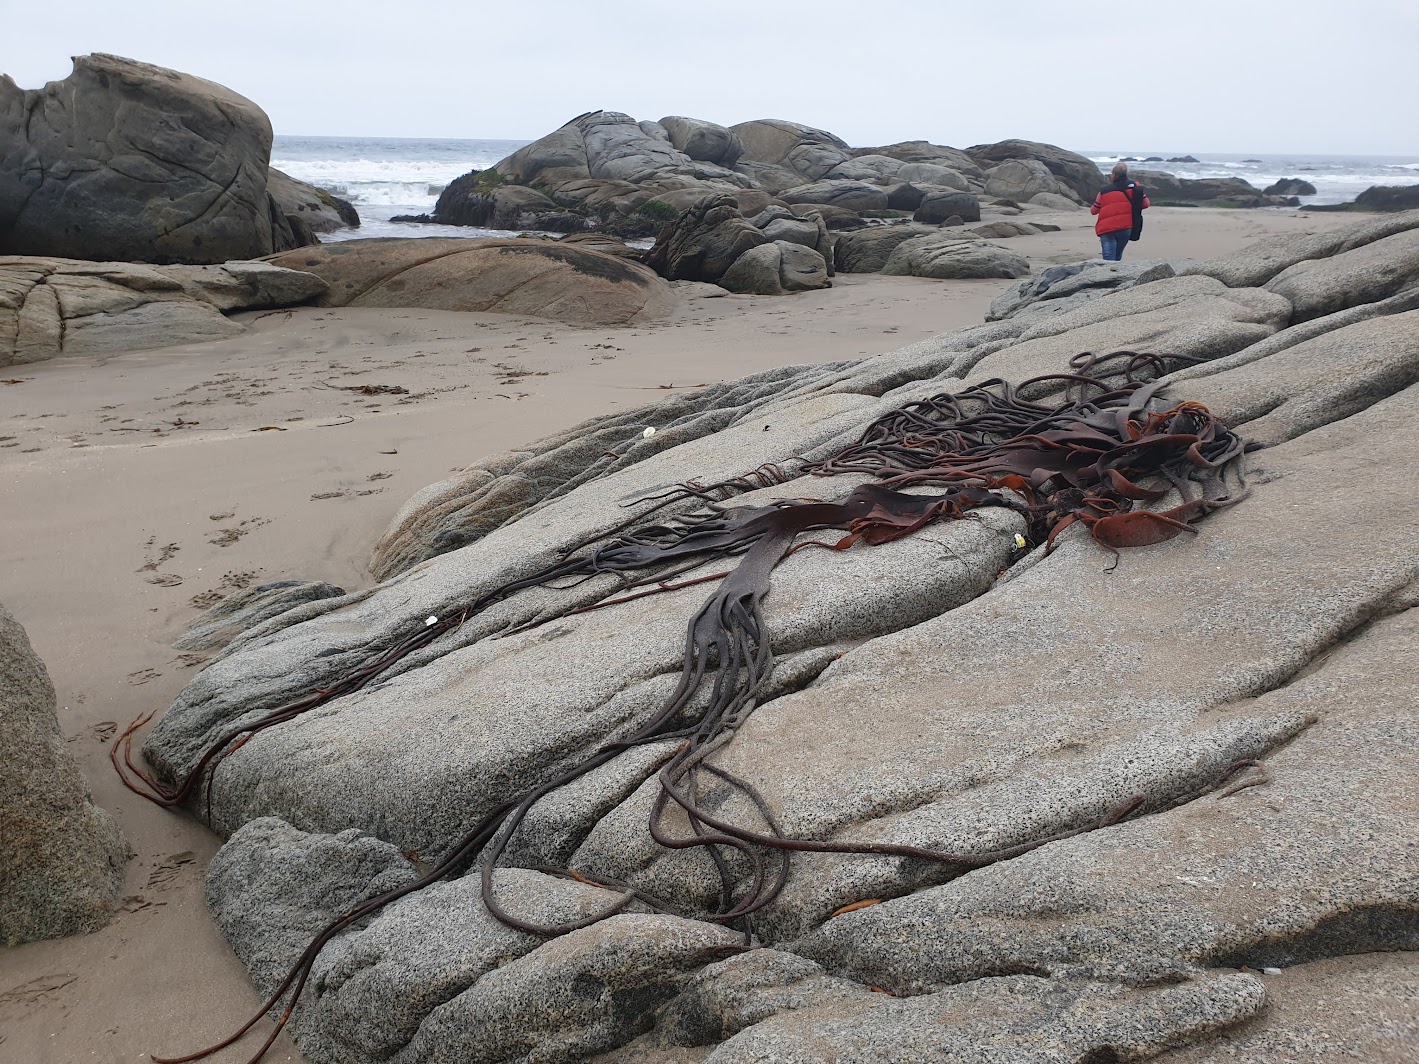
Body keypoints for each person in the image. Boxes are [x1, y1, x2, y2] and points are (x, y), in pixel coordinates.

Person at [1090, 162, 1149, 261]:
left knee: (1108, 259)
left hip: (1107, 228)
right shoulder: (1135, 187)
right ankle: (1116, 274)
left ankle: (1108, 275)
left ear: (1114, 175)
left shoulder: (1104, 191)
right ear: (1126, 174)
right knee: (1117, 256)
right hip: (1125, 227)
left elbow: (1094, 210)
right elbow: (1146, 204)